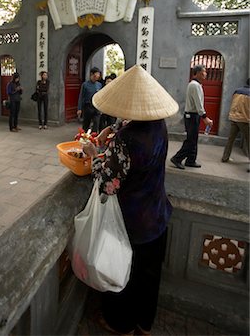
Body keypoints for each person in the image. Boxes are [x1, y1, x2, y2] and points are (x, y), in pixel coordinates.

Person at [82, 65, 179, 336]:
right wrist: (109, 132)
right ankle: (144, 325)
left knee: (124, 276)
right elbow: (127, 124)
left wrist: (93, 153)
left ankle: (120, 324)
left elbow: (108, 182)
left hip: (131, 224)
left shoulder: (128, 140)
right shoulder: (157, 124)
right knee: (149, 279)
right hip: (157, 215)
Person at [170, 65, 213, 169]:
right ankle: (177, 158)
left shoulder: (197, 85)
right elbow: (198, 103)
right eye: (204, 72)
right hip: (192, 116)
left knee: (194, 138)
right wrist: (205, 117)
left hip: (194, 116)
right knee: (191, 140)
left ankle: (191, 160)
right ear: (197, 73)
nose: (205, 74)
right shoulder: (194, 85)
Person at [222, 78, 250, 164]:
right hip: (244, 119)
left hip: (234, 117)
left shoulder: (237, 91)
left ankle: (225, 157)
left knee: (230, 139)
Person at [77, 67, 102, 132]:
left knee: (96, 123)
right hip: (88, 107)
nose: (97, 76)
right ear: (92, 74)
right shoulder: (85, 85)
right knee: (86, 124)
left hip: (96, 107)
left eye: (98, 75)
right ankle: (84, 138)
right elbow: (81, 97)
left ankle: (94, 138)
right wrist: (79, 108)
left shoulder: (99, 85)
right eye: (96, 75)